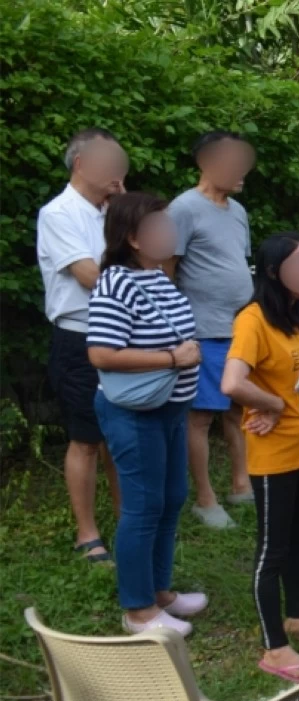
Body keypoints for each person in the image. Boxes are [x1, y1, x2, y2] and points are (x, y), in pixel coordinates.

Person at [221, 232, 299, 682]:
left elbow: (297, 377)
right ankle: (275, 648)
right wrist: (272, 406)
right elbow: (232, 383)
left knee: (297, 541)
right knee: (272, 550)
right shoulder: (252, 320)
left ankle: (298, 618)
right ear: (275, 272)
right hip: (274, 456)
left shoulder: (297, 316)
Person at [87, 192, 207, 635]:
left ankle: (160, 592)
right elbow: (100, 353)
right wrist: (171, 360)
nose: (170, 233)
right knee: (142, 506)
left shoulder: (157, 277)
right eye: (159, 226)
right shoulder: (117, 281)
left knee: (172, 497)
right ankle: (138, 610)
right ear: (134, 238)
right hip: (135, 413)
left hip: (169, 409)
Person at [37, 128, 127, 563]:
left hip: (123, 334)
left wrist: (126, 214)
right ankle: (87, 534)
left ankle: (128, 519)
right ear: (81, 164)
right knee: (87, 438)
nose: (118, 171)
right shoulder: (59, 214)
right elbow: (90, 276)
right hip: (80, 336)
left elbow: (149, 258)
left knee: (120, 434)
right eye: (110, 162)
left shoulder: (111, 211)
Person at [167, 130, 257, 528]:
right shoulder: (182, 209)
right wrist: (176, 329)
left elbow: (239, 263)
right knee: (200, 416)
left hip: (239, 328)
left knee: (238, 409)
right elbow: (166, 270)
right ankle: (205, 499)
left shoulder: (237, 211)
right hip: (201, 329)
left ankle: (242, 485)